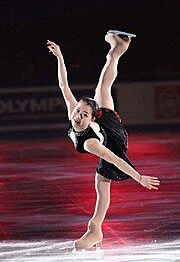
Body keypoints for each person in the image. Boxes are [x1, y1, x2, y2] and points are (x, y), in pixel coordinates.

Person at [47, 31, 160, 250]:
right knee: (102, 87)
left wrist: (139, 178)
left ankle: (94, 229)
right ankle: (117, 50)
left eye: (84, 115)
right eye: (79, 111)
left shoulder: (90, 143)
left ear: (91, 120)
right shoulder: (75, 113)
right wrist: (59, 57)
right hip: (105, 122)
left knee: (102, 181)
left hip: (114, 141)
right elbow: (63, 86)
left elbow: (114, 158)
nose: (78, 115)